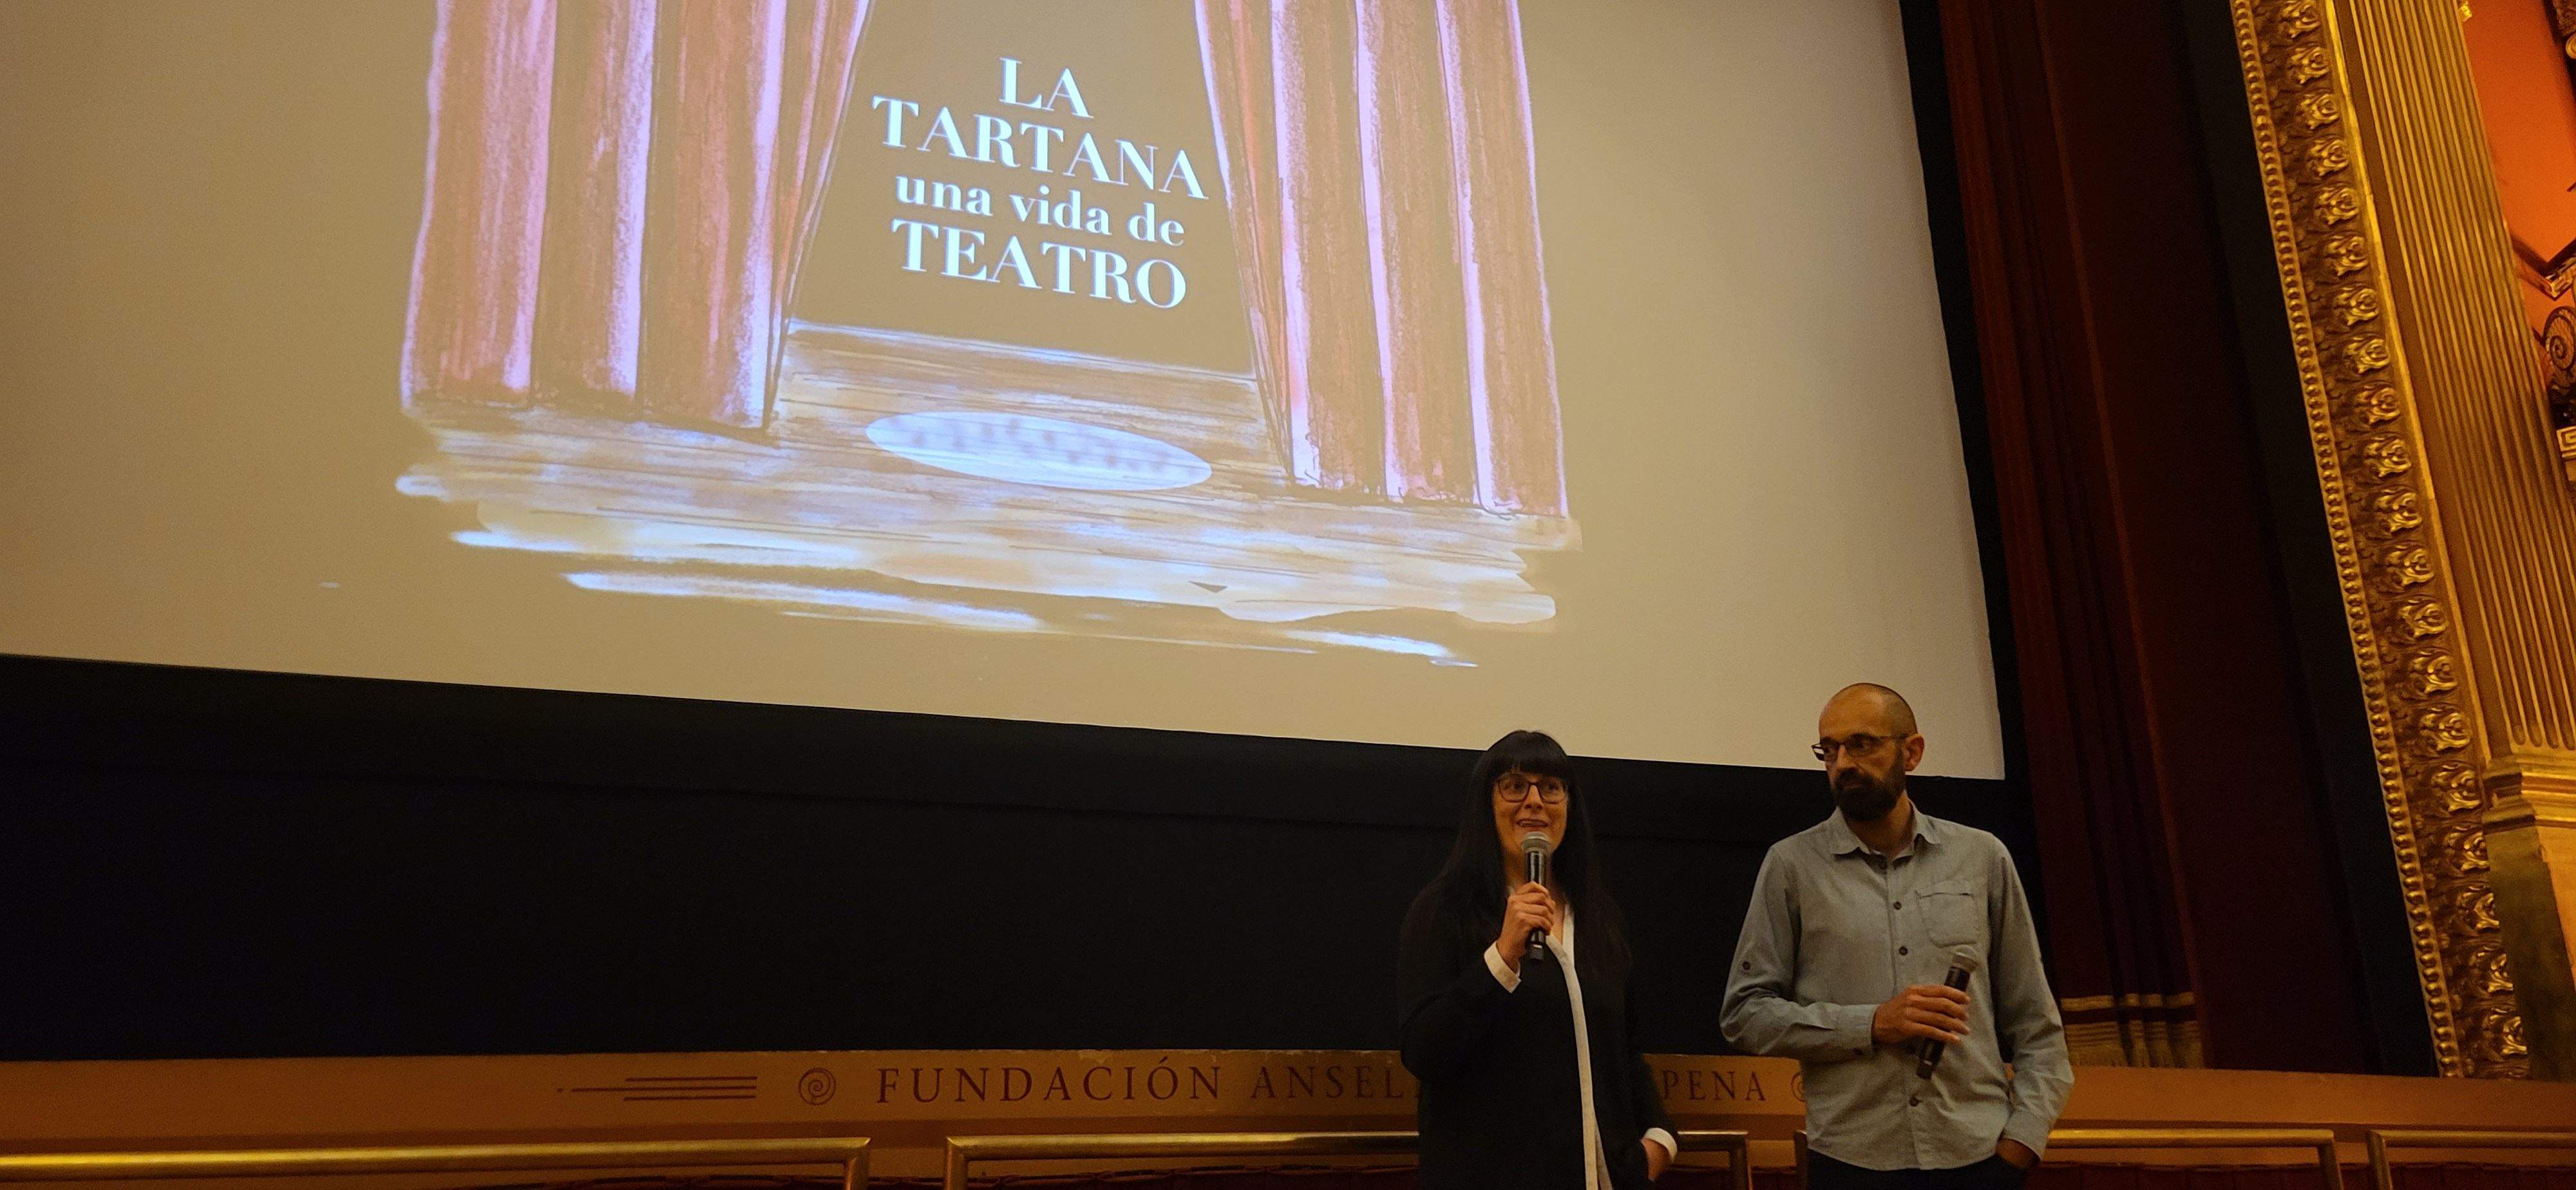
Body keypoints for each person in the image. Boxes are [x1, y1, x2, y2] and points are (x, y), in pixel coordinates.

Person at [1720, 684, 2072, 1188]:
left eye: (1862, 744)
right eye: (1830, 749)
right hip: (1851, 1163)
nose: (1842, 763)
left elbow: (2037, 1025)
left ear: (1912, 752)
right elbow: (1744, 1016)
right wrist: (1872, 1024)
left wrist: (2020, 1146)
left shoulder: (1981, 858)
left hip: (1978, 1159)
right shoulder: (1791, 866)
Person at [1399, 730, 1678, 1190]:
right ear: (1486, 805)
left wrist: (1659, 1140)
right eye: (1514, 786)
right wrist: (1501, 957)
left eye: (1551, 787)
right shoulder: (1444, 911)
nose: (1534, 802)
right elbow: (1424, 1051)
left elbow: (1623, 1051)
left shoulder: (1599, 918)